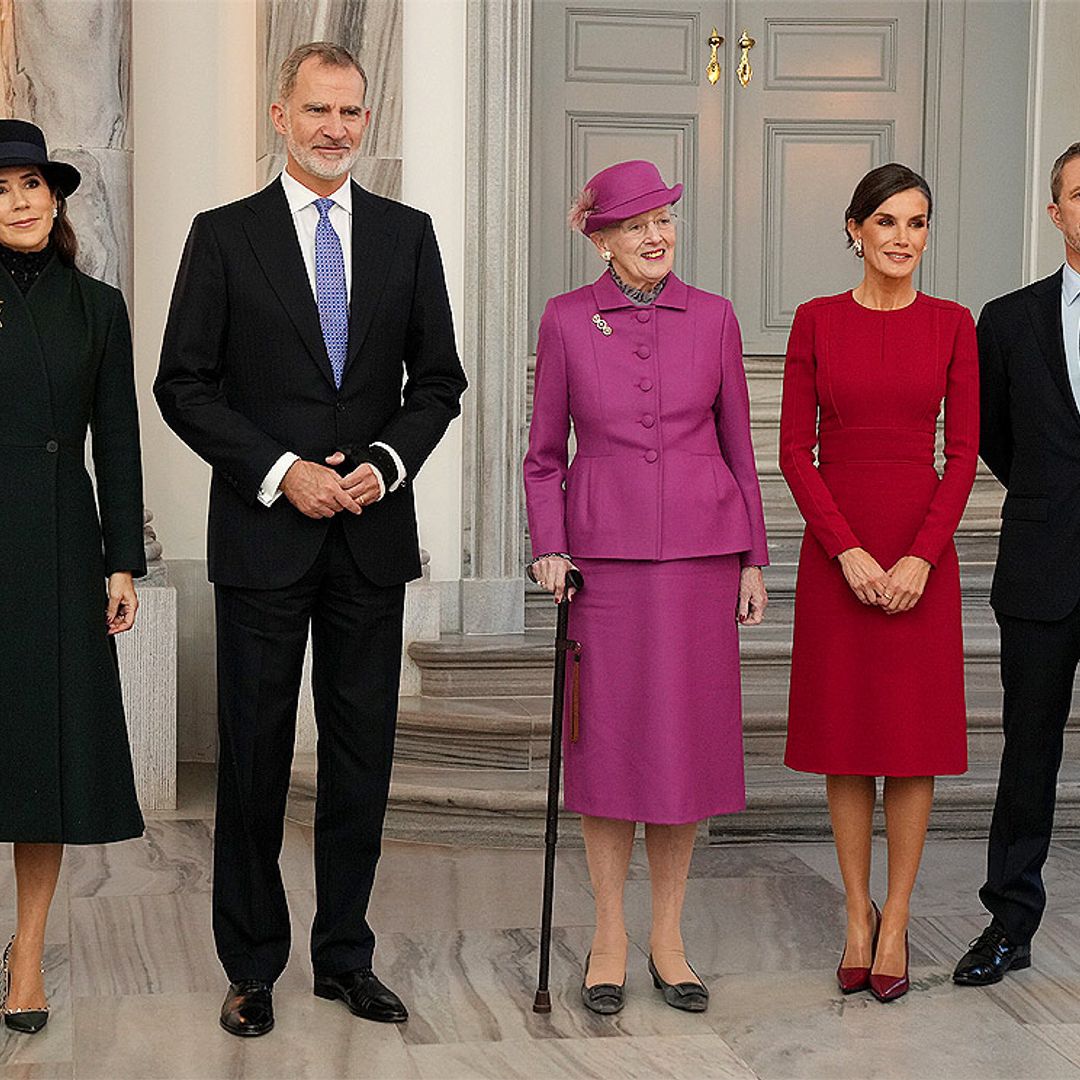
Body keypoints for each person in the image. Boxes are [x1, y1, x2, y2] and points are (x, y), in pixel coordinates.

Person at [155, 42, 467, 1037]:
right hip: (262, 536)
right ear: (279, 117)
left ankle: (345, 957)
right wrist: (283, 472)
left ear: (366, 124)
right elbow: (183, 384)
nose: (338, 128)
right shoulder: (224, 237)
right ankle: (251, 967)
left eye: (354, 113)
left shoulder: (407, 236)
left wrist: (386, 458)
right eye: (320, 109)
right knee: (251, 757)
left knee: (361, 756)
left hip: (372, 539)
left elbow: (440, 383)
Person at [524, 159, 768, 1015]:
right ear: (600, 238)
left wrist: (754, 558)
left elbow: (741, 447)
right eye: (634, 225)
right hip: (605, 565)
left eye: (663, 217)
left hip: (702, 561)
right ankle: (608, 935)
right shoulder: (564, 320)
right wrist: (548, 546)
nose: (656, 235)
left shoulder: (717, 317)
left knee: (683, 749)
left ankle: (668, 935)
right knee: (610, 749)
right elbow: (544, 456)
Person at [780, 163, 978, 1003]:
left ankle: (896, 917)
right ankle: (855, 913)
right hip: (840, 556)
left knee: (912, 741)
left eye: (919, 223)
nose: (904, 238)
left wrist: (921, 557)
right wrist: (848, 553)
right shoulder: (816, 321)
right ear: (855, 228)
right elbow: (794, 450)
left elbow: (964, 454)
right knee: (849, 740)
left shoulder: (954, 325)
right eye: (888, 221)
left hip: (921, 553)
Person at [0, 120, 145, 1035]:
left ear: (54, 198)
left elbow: (120, 442)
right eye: (0, 188)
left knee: (41, 761)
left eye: (30, 185)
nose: (17, 202)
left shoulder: (99, 307)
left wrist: (120, 559)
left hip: (55, 545)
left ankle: (26, 958)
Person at [953, 143, 1080, 988]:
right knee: (1028, 747)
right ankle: (1009, 920)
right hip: (1043, 563)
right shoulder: (1007, 318)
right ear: (1056, 211)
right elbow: (992, 437)